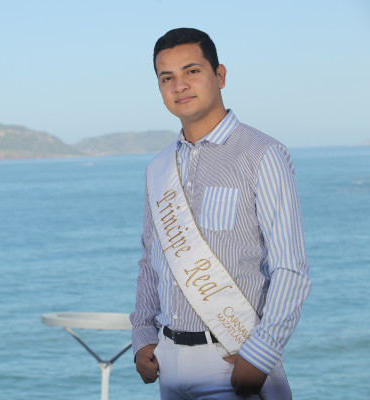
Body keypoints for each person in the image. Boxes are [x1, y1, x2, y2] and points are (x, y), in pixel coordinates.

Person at [130, 27, 311, 399]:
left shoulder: (263, 154)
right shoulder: (158, 168)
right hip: (167, 362)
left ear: (220, 75)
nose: (179, 85)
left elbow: (291, 269)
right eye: (167, 77)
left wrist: (260, 357)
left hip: (231, 360)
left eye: (192, 71)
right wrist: (142, 337)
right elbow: (150, 262)